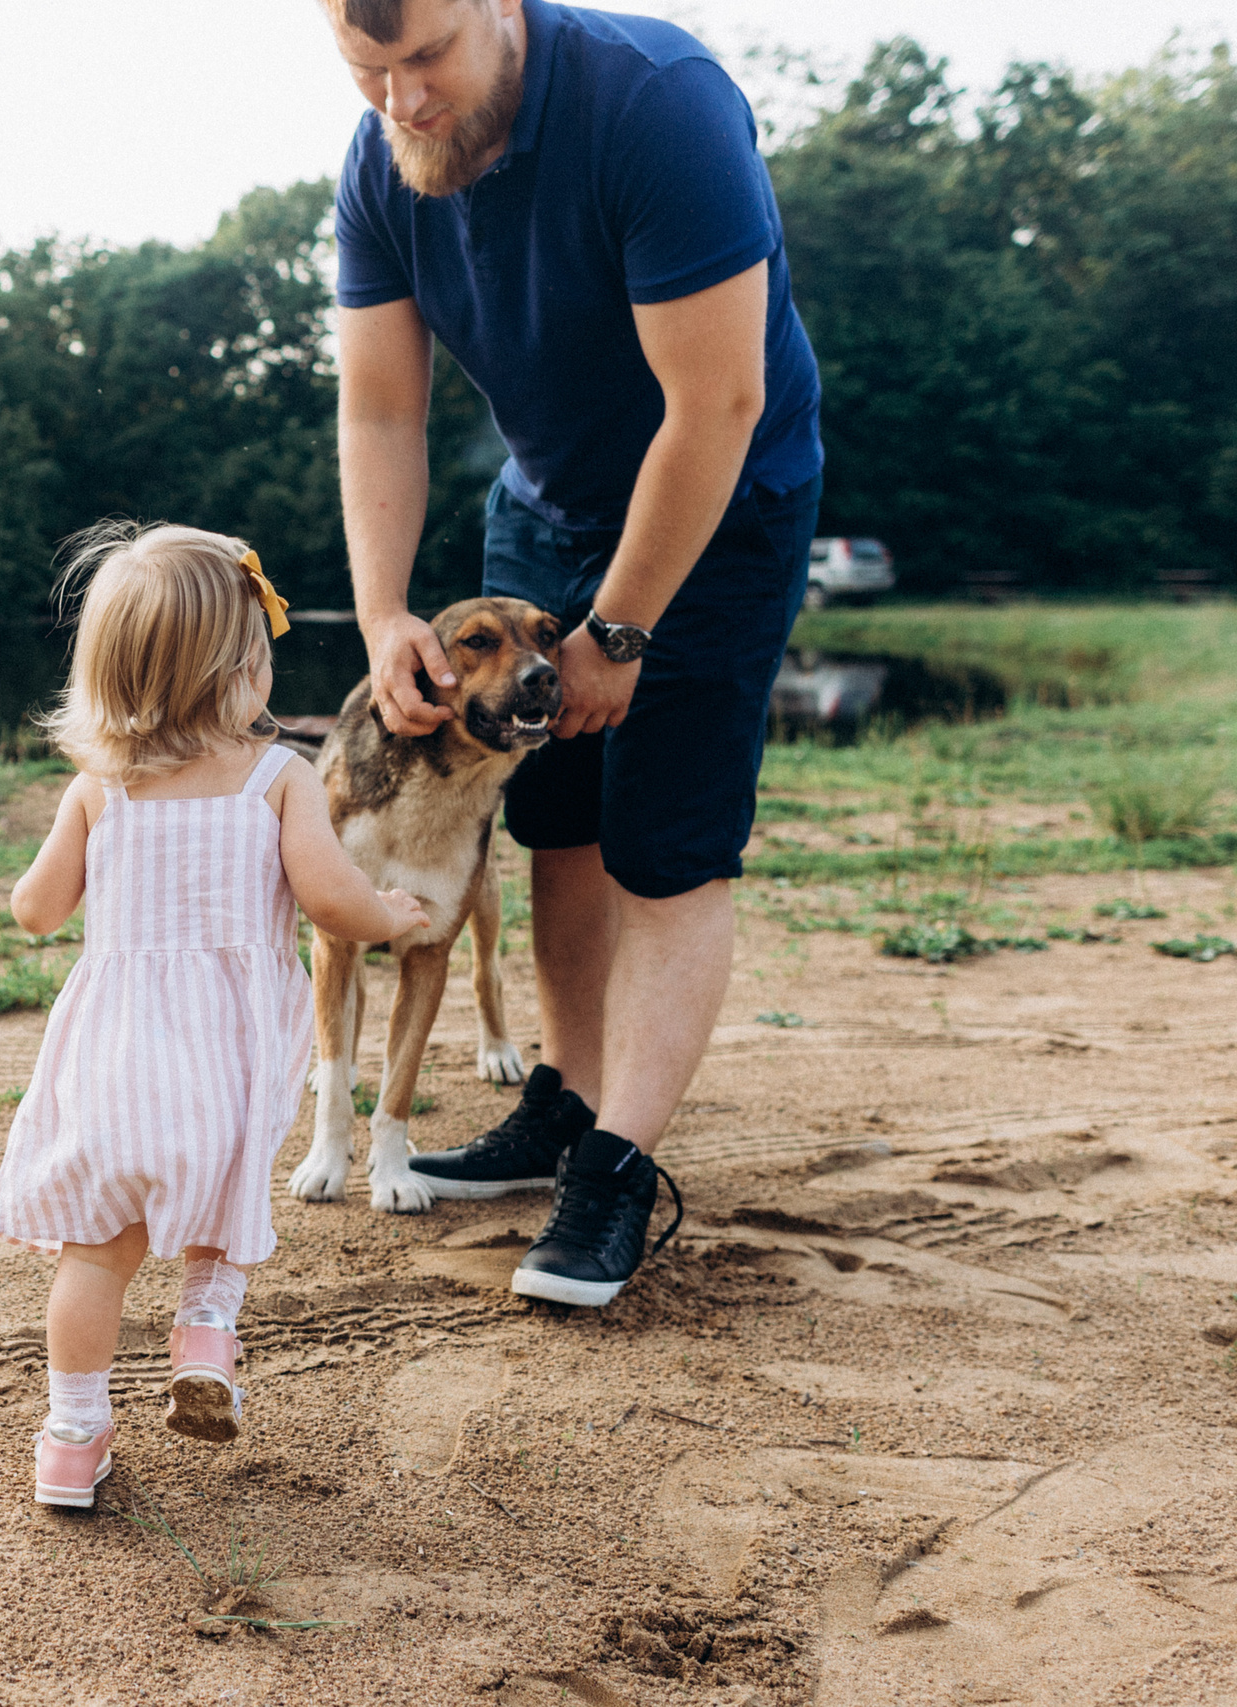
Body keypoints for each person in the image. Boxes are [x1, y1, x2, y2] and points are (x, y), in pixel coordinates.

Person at [321, 0, 825, 1307]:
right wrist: (387, 614)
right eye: (370, 72)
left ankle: (616, 1164)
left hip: (718, 497)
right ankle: (565, 1095)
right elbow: (381, 407)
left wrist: (619, 630)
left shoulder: (658, 102)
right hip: (542, 506)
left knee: (663, 841)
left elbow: (717, 402)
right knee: (557, 819)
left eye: (426, 58)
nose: (404, 102)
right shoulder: (380, 159)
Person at [0, 522, 431, 1507]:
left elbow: (35, 909)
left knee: (96, 1257)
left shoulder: (98, 790)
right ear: (237, 671)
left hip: (110, 1058)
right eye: (261, 656)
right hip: (223, 1053)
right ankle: (203, 1337)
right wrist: (387, 912)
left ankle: (69, 1438)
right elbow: (330, 902)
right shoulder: (278, 779)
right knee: (222, 1198)